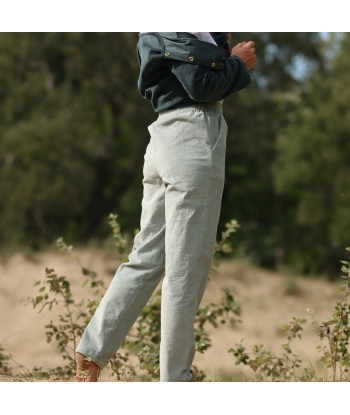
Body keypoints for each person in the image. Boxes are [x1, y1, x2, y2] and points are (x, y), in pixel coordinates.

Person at [75, 32, 256, 382]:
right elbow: (201, 85)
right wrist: (236, 62)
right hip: (193, 137)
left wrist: (221, 43)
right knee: (186, 269)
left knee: (146, 259)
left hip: (162, 138)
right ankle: (176, 383)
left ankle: (93, 351)